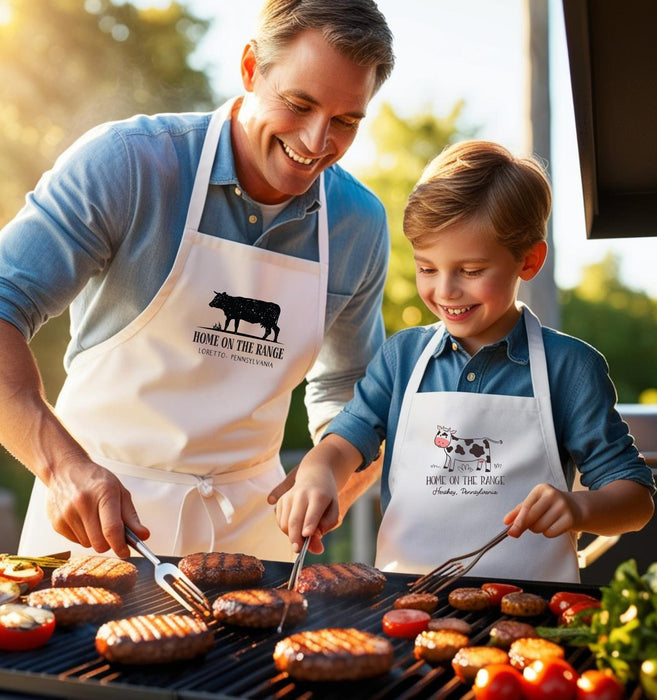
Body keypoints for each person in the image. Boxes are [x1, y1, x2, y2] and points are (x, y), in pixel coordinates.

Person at [0, 0, 395, 561]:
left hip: (256, 538)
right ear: (251, 68)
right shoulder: (128, 165)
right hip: (96, 523)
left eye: (346, 121)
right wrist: (59, 466)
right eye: (299, 103)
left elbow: (351, 390)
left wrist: (334, 474)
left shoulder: (358, 223)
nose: (315, 141)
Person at [275, 140, 656, 583]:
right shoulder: (402, 358)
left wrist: (579, 507)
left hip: (532, 619)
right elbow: (343, 444)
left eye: (471, 271)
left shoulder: (569, 367)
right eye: (427, 268)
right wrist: (319, 472)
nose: (446, 291)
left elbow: (636, 500)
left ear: (529, 260)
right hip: (405, 609)